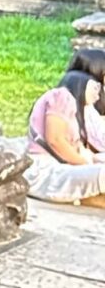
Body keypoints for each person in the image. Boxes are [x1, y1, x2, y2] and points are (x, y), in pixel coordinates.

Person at [23, 67, 105, 206]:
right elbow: (55, 140)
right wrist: (86, 165)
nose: (98, 93)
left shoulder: (78, 110)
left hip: (59, 167)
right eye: (95, 87)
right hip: (46, 171)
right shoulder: (62, 96)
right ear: (82, 83)